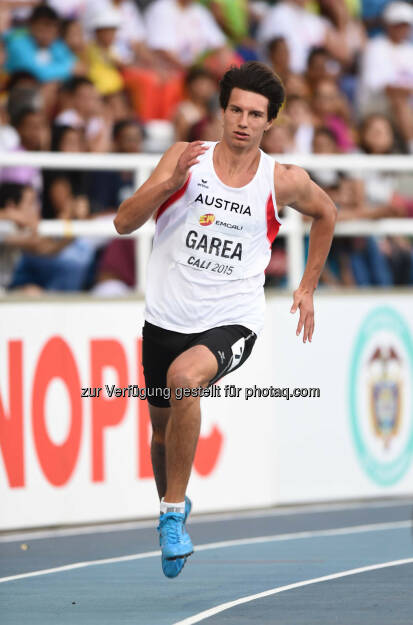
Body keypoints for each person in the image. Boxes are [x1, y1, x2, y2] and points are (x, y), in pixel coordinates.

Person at [114, 61, 337, 579]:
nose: (242, 120)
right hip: (165, 319)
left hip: (231, 320)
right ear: (221, 112)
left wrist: (306, 286)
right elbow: (124, 222)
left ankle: (172, 516)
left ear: (269, 123)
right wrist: (166, 183)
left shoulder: (282, 180)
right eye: (235, 109)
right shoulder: (184, 159)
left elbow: (326, 214)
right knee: (162, 437)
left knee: (184, 380)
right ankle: (174, 501)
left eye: (254, 114)